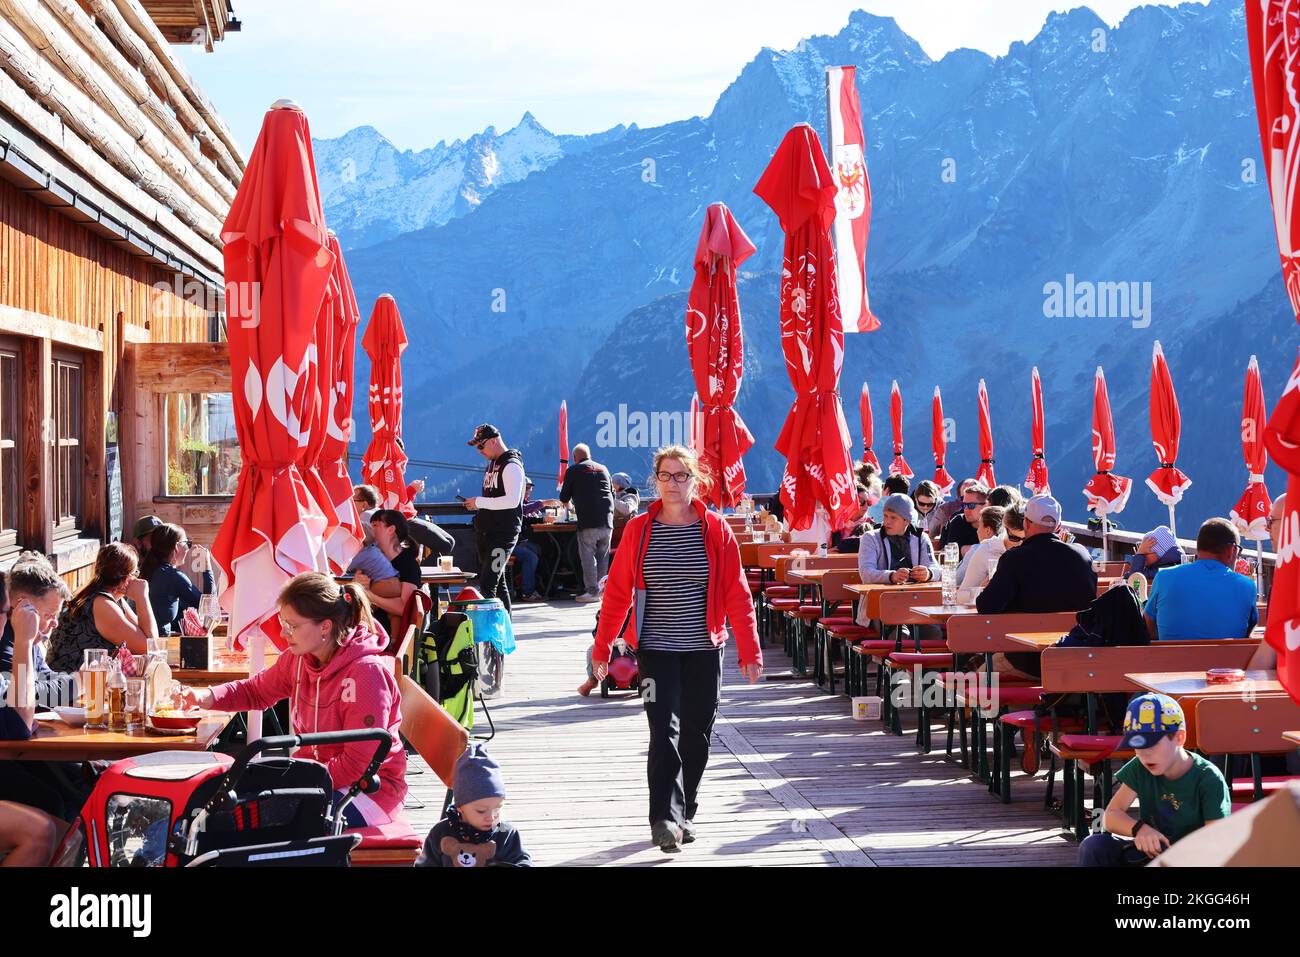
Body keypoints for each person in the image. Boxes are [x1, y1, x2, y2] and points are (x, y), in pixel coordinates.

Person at [592, 445, 763, 852]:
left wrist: (750, 649)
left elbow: (737, 592)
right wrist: (603, 649)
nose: (673, 483)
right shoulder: (638, 529)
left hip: (705, 648)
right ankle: (664, 819)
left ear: (695, 480)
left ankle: (684, 810)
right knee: (662, 731)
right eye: (666, 476)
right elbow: (617, 593)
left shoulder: (716, 528)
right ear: (656, 480)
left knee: (697, 735)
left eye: (681, 475)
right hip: (655, 649)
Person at [179, 573, 407, 827]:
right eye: (283, 622)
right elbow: (256, 691)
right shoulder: (298, 659)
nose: (284, 632)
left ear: (325, 626)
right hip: (317, 778)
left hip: (370, 792)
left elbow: (357, 764)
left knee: (243, 822)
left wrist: (294, 782)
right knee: (214, 806)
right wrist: (204, 696)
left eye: (293, 625)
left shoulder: (365, 673)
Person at [1078, 693, 1230, 866]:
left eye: (1152, 745)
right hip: (1150, 854)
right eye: (1138, 747)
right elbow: (1111, 816)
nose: (1144, 754)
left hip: (1191, 858)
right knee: (1094, 846)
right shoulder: (1141, 767)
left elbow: (1217, 840)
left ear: (1179, 737)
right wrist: (1139, 829)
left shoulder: (1208, 778)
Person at [46, 543, 159, 672]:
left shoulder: (107, 597)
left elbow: (144, 635)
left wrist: (141, 599)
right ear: (126, 577)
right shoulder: (102, 604)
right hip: (72, 685)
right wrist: (142, 598)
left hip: (84, 681)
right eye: (135, 573)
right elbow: (150, 647)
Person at [976, 495, 1096, 616]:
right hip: (1074, 633)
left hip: (1020, 633)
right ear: (1058, 527)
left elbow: (986, 606)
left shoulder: (1013, 559)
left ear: (1026, 523)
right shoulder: (1082, 555)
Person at [415, 744, 531, 867]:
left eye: (497, 809)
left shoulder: (505, 833)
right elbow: (424, 864)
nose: (491, 817)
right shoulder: (441, 832)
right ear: (460, 807)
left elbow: (523, 861)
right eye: (481, 811)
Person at [1143, 518, 1258, 642]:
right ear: (1231, 550)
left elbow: (1147, 629)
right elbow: (1247, 632)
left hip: (1173, 660)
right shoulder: (1247, 586)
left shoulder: (1164, 578)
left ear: (1199, 546)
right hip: (1227, 661)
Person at [465, 424, 525, 614]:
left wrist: (479, 502)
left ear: (493, 441)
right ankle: (504, 628)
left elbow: (512, 500)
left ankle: (494, 629)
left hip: (503, 534)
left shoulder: (511, 465)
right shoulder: (494, 463)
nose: (479, 451)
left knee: (488, 582)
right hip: (488, 531)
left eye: (481, 446)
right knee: (497, 583)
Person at [559, 443, 615, 603]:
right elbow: (612, 493)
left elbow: (564, 498)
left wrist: (571, 509)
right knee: (603, 555)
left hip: (588, 520)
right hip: (607, 519)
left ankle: (591, 592)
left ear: (575, 458)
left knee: (588, 556)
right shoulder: (603, 468)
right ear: (589, 455)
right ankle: (603, 591)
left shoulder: (573, 470)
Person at [356, 509, 422, 643]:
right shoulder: (372, 560)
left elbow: (404, 607)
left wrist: (370, 595)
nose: (369, 529)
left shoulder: (408, 564)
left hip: (384, 637)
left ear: (391, 529)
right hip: (370, 631)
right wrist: (357, 583)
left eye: (375, 525)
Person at [140, 523, 214, 636]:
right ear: (176, 546)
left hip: (146, 636)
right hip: (159, 642)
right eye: (187, 543)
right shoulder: (172, 577)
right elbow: (209, 607)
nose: (188, 548)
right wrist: (207, 567)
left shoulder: (150, 569)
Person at [955, 505, 1007, 604]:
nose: (977, 531)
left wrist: (980, 590)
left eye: (979, 526)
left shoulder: (977, 550)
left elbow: (957, 582)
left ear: (988, 530)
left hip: (982, 615)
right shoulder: (1021, 551)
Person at [513, 480, 547, 602]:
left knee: (539, 549)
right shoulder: (514, 502)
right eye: (526, 488)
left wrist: (541, 519)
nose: (528, 491)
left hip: (518, 541)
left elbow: (526, 519)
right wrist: (542, 503)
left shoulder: (523, 502)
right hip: (507, 543)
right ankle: (527, 592)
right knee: (531, 557)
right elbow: (522, 512)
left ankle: (543, 585)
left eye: (529, 489)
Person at [938, 482, 988, 556]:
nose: (966, 509)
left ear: (986, 505)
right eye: (964, 505)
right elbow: (952, 553)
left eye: (971, 505)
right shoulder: (958, 521)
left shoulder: (994, 522)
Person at [610, 472, 640, 549]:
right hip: (615, 530)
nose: (611, 484)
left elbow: (627, 509)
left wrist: (612, 500)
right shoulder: (615, 495)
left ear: (619, 484)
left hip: (625, 532)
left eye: (613, 482)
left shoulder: (630, 496)